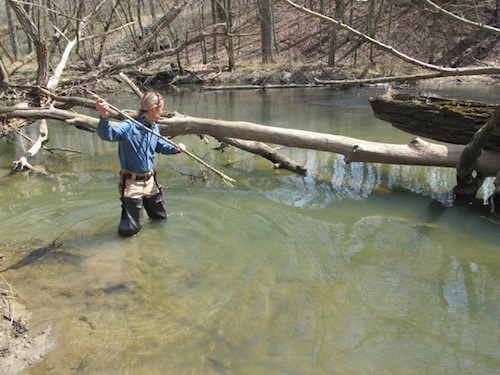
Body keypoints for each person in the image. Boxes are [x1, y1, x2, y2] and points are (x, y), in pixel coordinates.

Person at [95, 92, 185, 237]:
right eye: (162, 108)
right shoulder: (129, 126)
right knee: (131, 228)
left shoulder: (153, 127)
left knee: (160, 218)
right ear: (154, 109)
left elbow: (159, 146)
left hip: (150, 181)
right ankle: (123, 252)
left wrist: (175, 149)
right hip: (131, 182)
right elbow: (107, 135)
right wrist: (104, 117)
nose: (162, 112)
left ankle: (153, 246)